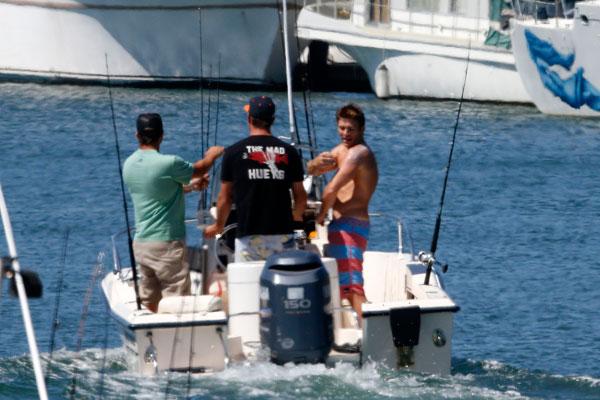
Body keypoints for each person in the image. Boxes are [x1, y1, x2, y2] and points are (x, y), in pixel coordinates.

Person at [123, 113, 224, 313]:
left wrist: (192, 187)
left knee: (150, 298)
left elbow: (159, 189)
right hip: (167, 244)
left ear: (137, 135)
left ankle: (151, 340)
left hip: (141, 243)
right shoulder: (169, 162)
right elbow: (201, 167)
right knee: (178, 301)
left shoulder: (129, 165)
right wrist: (213, 154)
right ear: (162, 135)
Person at [204, 96, 307, 261]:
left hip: (249, 235)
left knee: (249, 283)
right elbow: (300, 196)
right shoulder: (290, 152)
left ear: (249, 119)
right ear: (272, 120)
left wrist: (218, 226)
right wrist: (295, 216)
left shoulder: (233, 152)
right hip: (283, 234)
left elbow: (225, 197)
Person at [307, 103, 378, 321]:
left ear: (362, 129)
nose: (345, 133)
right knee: (344, 286)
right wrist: (314, 164)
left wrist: (319, 218)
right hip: (339, 227)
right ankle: (353, 332)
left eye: (350, 129)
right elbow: (312, 169)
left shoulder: (359, 154)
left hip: (351, 226)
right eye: (341, 128)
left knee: (354, 287)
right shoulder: (342, 150)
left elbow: (330, 189)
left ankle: (369, 332)